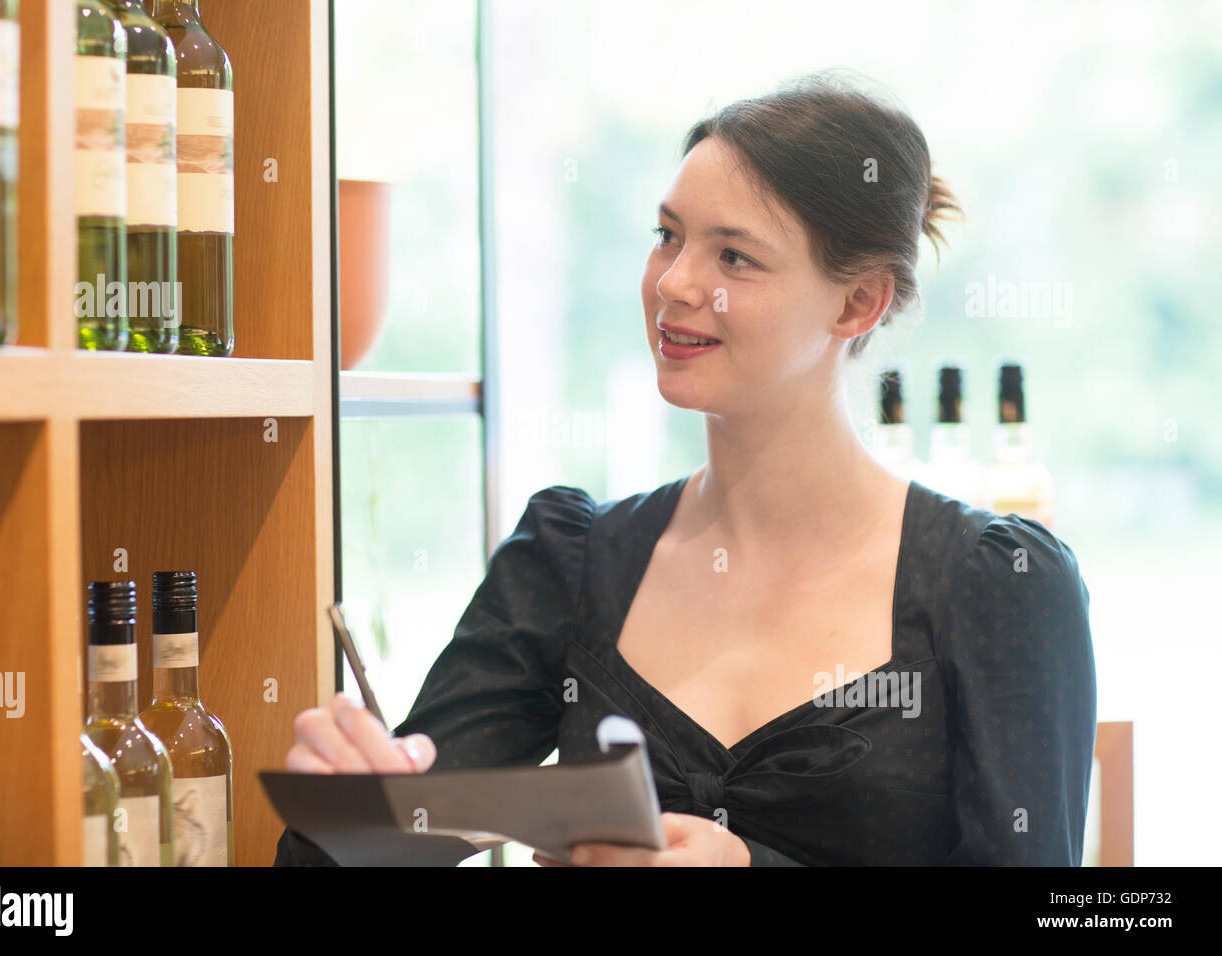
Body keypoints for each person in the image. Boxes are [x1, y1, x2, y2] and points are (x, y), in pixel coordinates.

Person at [275, 72, 1096, 866]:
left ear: (857, 304)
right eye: (667, 236)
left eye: (734, 258)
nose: (673, 283)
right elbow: (398, 834)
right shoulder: (569, 560)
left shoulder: (999, 584)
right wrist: (346, 816)